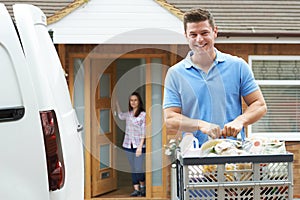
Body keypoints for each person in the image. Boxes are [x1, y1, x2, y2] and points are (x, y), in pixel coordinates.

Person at [163, 8, 267, 147]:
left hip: (233, 154)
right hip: (194, 156)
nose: (199, 39)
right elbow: (170, 118)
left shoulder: (238, 66)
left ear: (215, 32)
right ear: (186, 36)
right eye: (193, 34)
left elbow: (259, 105)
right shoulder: (175, 73)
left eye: (204, 33)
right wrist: (200, 125)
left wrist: (240, 121)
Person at [116, 91, 146, 197]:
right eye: (131, 100)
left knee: (138, 168)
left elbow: (144, 132)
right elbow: (120, 116)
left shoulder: (143, 115)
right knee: (132, 168)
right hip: (128, 145)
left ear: (139, 101)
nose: (133, 102)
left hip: (139, 146)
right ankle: (136, 189)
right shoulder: (128, 114)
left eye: (135, 100)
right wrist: (116, 103)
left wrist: (139, 147)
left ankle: (143, 186)